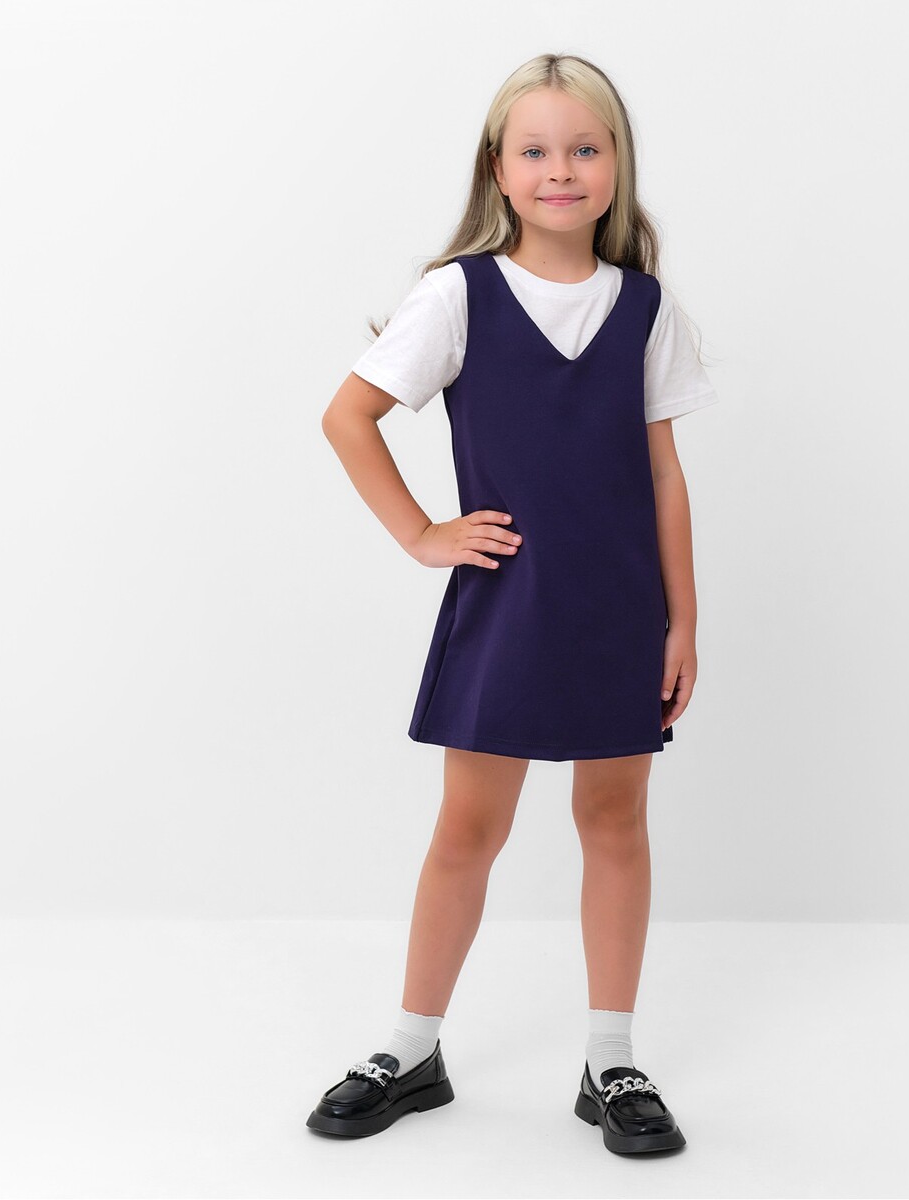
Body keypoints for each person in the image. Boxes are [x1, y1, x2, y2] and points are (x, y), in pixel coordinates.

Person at [307, 52, 718, 1155]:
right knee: (469, 828)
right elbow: (349, 416)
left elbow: (664, 473)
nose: (560, 170)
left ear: (617, 163)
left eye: (584, 148)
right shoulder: (460, 294)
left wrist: (683, 620)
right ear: (499, 167)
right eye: (535, 150)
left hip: (618, 611)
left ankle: (611, 1060)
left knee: (614, 822)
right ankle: (411, 1048)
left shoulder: (645, 308)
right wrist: (422, 534)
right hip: (507, 607)